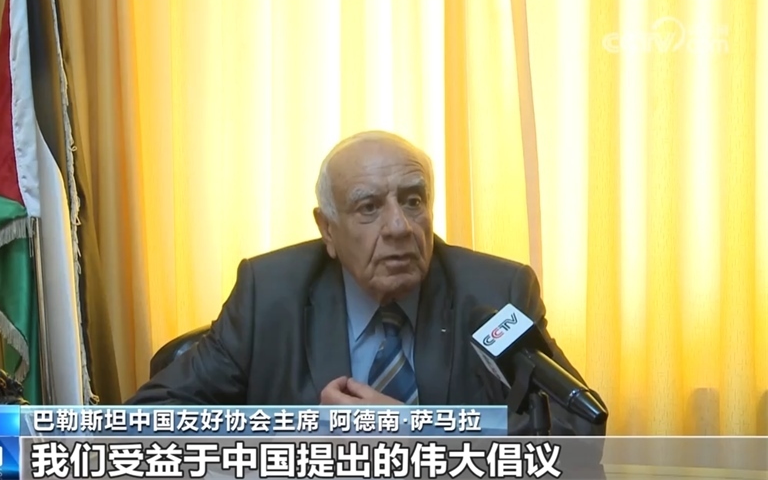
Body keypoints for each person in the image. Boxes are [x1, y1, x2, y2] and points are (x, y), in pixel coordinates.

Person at [126, 130, 606, 437]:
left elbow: (578, 430)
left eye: (413, 201)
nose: (399, 226)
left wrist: (417, 432)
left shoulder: (495, 294)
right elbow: (147, 420)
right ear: (327, 230)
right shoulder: (269, 294)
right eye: (369, 207)